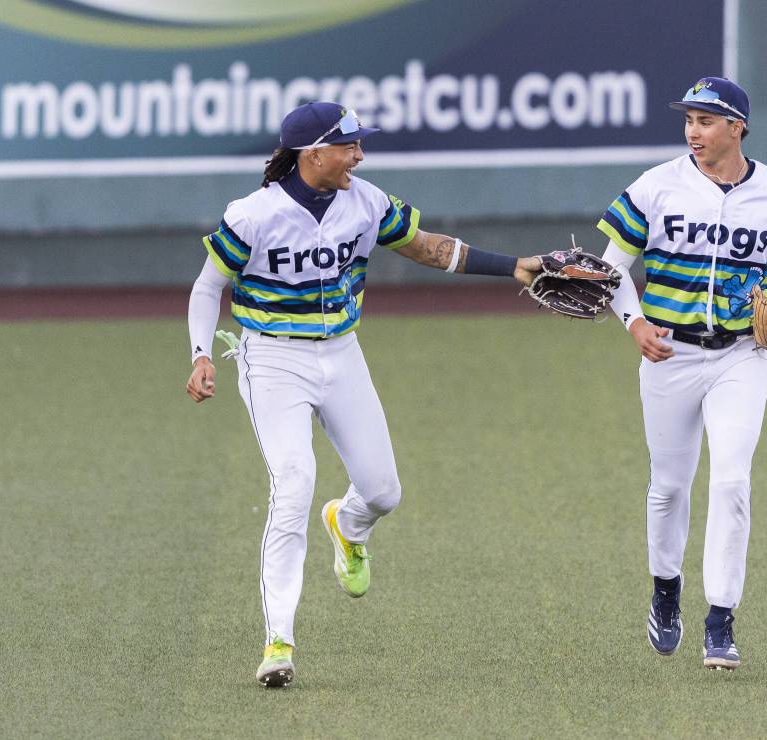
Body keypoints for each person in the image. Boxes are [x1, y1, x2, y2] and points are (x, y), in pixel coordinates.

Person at [184, 102, 540, 688]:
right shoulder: (253, 215)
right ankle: (279, 640)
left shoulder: (365, 202)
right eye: (349, 145)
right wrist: (201, 353)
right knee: (293, 481)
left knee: (382, 491)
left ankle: (348, 526)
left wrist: (514, 267)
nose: (359, 155)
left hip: (342, 353)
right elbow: (208, 286)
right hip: (272, 358)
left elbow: (428, 247)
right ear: (313, 154)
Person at [595, 77, 767, 669]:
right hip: (669, 353)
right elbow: (612, 266)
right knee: (669, 488)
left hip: (741, 355)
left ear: (737, 127)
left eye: (706, 120)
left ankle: (720, 617)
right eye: (689, 119)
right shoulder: (658, 185)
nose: (693, 130)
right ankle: (665, 589)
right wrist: (633, 323)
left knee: (731, 481)